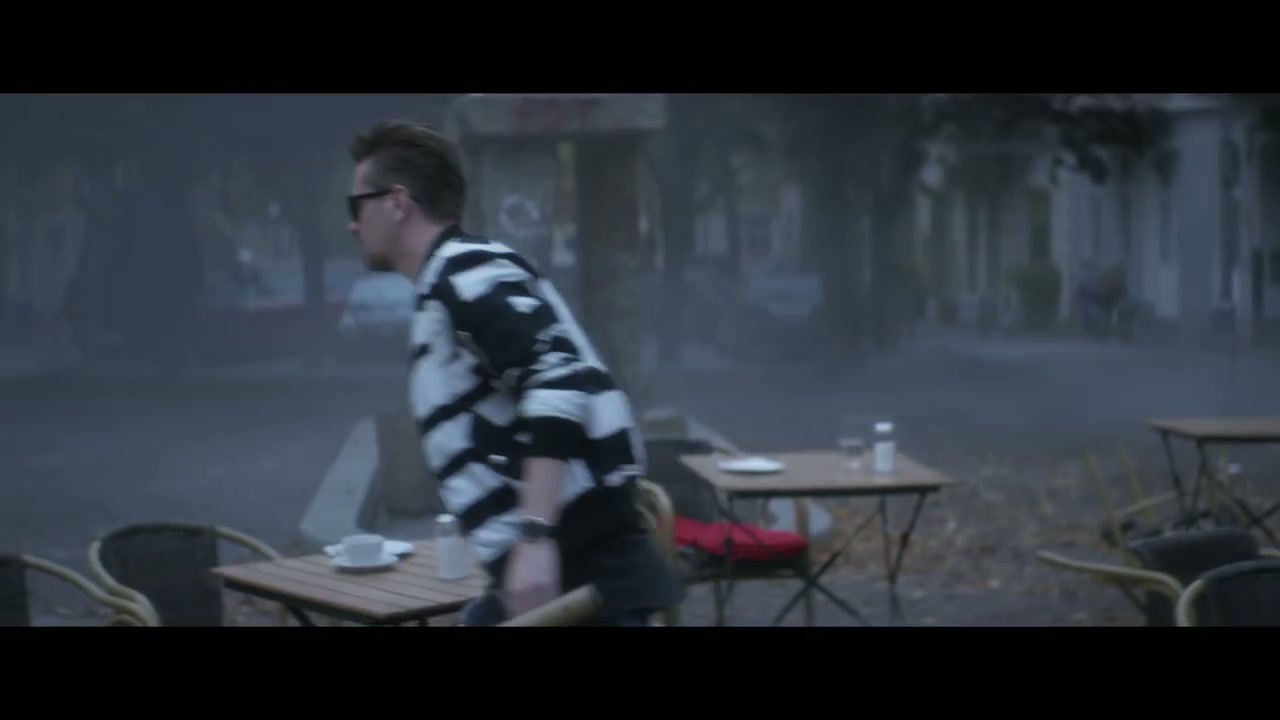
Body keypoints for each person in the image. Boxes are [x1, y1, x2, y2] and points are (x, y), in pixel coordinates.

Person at [345, 119, 683, 625]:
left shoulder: (464, 273)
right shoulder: (453, 279)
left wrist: (535, 537)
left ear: (396, 203)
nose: (352, 226)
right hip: (555, 574)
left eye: (356, 206)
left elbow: (555, 377)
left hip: (578, 571)